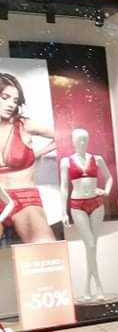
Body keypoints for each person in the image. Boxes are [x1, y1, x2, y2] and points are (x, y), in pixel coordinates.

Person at [0, 73, 56, 243]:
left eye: (15, 100)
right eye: (5, 97)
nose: (11, 104)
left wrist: (37, 154)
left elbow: (65, 135)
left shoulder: (25, 125)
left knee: (46, 250)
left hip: (24, 198)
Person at [60, 128, 113, 301]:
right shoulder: (66, 162)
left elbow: (109, 177)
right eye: (79, 140)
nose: (82, 143)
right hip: (77, 205)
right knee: (90, 244)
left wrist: (106, 191)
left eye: (85, 139)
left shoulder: (97, 159)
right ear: (73, 141)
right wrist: (63, 211)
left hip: (97, 204)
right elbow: (64, 187)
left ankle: (87, 289)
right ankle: (98, 286)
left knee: (92, 246)